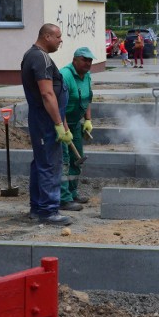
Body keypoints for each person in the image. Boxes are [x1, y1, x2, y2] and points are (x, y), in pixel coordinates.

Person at [21, 23, 74, 225]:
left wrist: (64, 124)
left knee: (41, 163)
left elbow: (56, 96)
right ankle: (48, 211)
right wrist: (58, 124)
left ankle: (38, 207)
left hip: (46, 117)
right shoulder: (40, 58)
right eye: (58, 36)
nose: (61, 40)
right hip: (46, 120)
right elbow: (47, 93)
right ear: (47, 36)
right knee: (49, 164)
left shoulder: (35, 55)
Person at [59, 47, 95, 211]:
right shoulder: (65, 75)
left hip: (76, 123)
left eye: (90, 60)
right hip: (61, 123)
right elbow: (59, 106)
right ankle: (63, 198)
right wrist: (64, 130)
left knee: (76, 158)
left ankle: (73, 193)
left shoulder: (87, 76)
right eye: (85, 60)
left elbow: (88, 98)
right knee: (64, 161)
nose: (88, 63)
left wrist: (87, 119)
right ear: (75, 60)